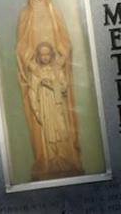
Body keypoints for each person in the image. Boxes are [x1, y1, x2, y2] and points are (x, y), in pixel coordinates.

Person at [16, 0, 83, 180]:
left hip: (56, 75)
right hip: (37, 77)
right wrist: (33, 66)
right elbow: (20, 47)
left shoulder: (55, 13)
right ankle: (46, 160)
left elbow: (65, 42)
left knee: (61, 118)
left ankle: (66, 159)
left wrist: (60, 61)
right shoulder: (25, 15)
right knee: (42, 120)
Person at [27, 42, 82, 179]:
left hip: (57, 106)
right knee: (49, 134)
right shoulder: (36, 73)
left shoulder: (57, 70)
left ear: (51, 54)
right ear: (38, 56)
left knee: (61, 131)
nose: (45, 57)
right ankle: (53, 162)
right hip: (45, 107)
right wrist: (37, 111)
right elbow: (32, 92)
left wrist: (52, 85)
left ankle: (65, 160)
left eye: (47, 54)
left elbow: (64, 87)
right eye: (42, 54)